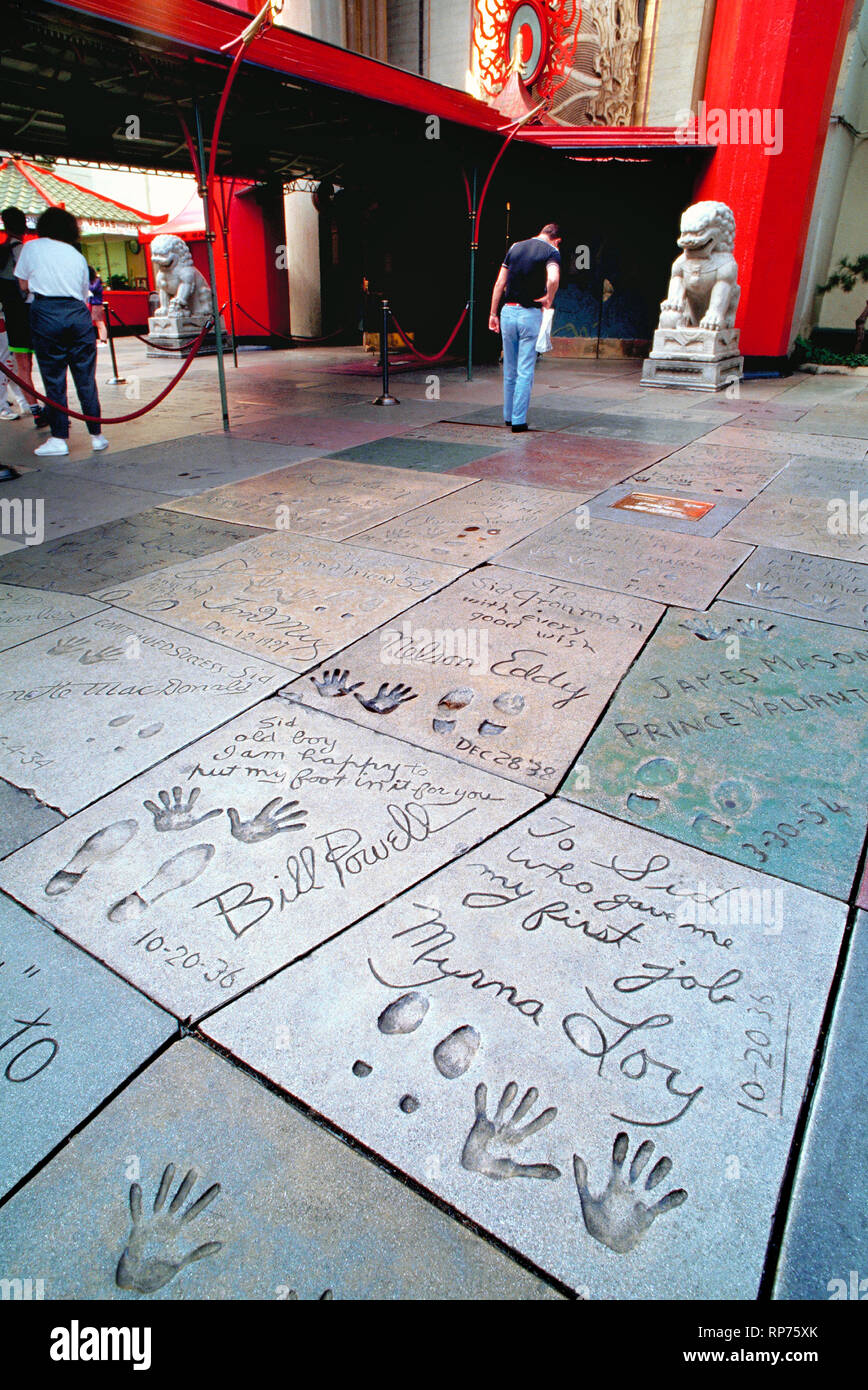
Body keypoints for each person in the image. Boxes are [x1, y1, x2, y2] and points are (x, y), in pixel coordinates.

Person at [15, 207, 108, 457]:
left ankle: (59, 438)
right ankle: (97, 435)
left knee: (54, 377)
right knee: (86, 376)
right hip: (77, 313)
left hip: (46, 310)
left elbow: (23, 284)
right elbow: (82, 292)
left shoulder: (31, 248)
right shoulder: (74, 253)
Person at [488, 221, 562, 432]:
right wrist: (549, 297)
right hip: (530, 314)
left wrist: (493, 313)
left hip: (507, 312)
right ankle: (519, 420)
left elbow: (500, 283)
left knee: (509, 368)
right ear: (557, 240)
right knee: (525, 369)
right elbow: (554, 277)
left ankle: (508, 416)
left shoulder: (515, 247)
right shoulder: (551, 252)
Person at [0, 206, 45, 427]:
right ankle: (47, 407)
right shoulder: (20, 249)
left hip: (11, 314)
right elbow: (25, 284)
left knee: (21, 365)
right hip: (28, 311)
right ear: (23, 225)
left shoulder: (2, 249)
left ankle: (34, 409)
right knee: (41, 363)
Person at [88, 265, 108, 342]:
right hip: (93, 303)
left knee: (99, 322)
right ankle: (102, 339)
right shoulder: (94, 280)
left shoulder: (97, 280)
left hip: (97, 304)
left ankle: (103, 340)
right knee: (98, 323)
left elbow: (92, 289)